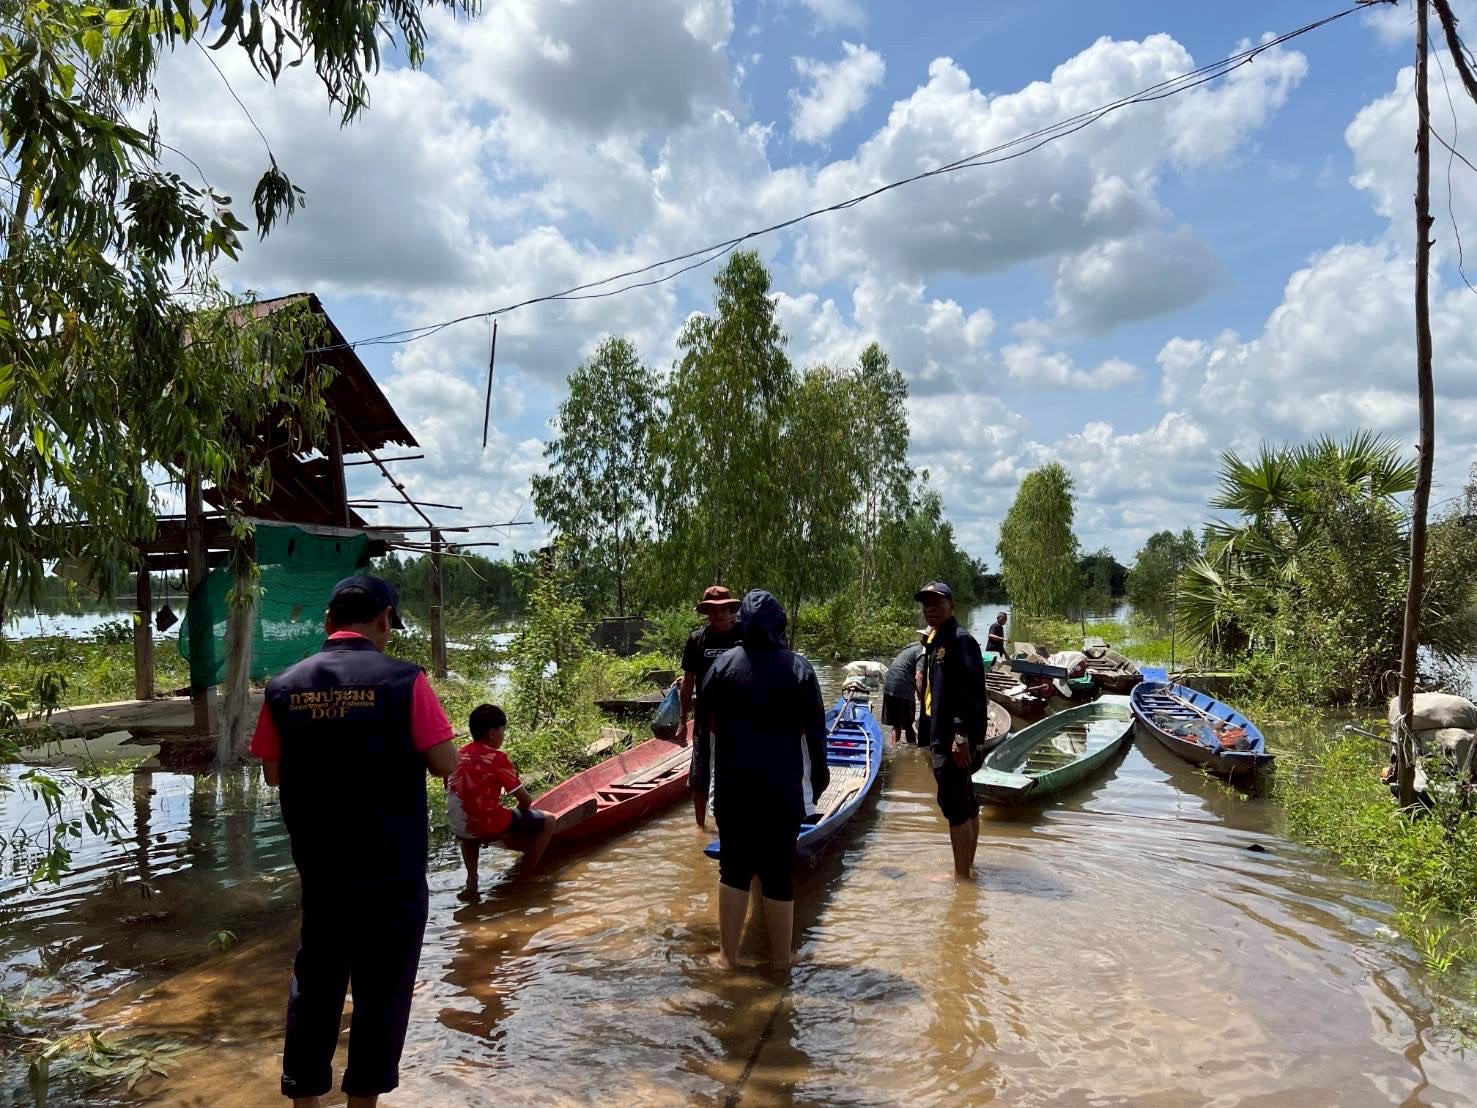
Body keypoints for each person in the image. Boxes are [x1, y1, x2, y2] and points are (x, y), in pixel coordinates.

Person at [249, 574, 458, 1108]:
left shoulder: (283, 686)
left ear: (327, 621)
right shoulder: (406, 680)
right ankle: (363, 1103)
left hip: (321, 868)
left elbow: (272, 772)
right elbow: (445, 763)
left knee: (316, 982)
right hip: (392, 868)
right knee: (383, 988)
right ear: (385, 620)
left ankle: (304, 1099)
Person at [699, 589, 829, 970]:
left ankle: (727, 957)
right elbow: (815, 733)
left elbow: (705, 729)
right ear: (779, 626)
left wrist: (704, 781)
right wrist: (818, 780)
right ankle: (782, 959)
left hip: (733, 789)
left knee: (733, 869)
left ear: (743, 624)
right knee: (778, 872)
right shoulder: (800, 669)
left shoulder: (721, 667)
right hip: (781, 791)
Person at [915, 582, 989, 880]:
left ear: (951, 605)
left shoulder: (959, 640)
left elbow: (970, 692)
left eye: (937, 603)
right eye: (926, 604)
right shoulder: (937, 640)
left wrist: (960, 735)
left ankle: (962, 879)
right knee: (967, 804)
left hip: (953, 739)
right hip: (942, 734)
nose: (930, 609)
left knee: (956, 808)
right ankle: (968, 867)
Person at [448, 703, 556, 900]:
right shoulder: (496, 758)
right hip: (487, 824)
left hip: (458, 825)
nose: (503, 735)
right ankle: (525, 876)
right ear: (492, 733)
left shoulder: (456, 754)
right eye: (502, 731)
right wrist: (518, 819)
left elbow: (451, 788)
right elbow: (525, 799)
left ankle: (471, 882)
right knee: (549, 820)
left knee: (468, 824)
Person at [683, 585, 743, 828]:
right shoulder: (697, 640)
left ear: (730, 610)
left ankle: (736, 824)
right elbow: (688, 681)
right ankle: (700, 827)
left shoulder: (744, 637)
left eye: (721, 609)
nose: (717, 615)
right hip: (705, 719)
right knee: (699, 775)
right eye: (711, 610)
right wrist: (682, 720)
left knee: (739, 773)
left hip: (739, 717)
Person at [881, 631, 928, 746]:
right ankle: (909, 749)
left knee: (898, 724)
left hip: (889, 685)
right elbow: (919, 676)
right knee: (907, 724)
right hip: (902, 686)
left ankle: (896, 749)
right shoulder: (922, 651)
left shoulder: (911, 646)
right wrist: (922, 697)